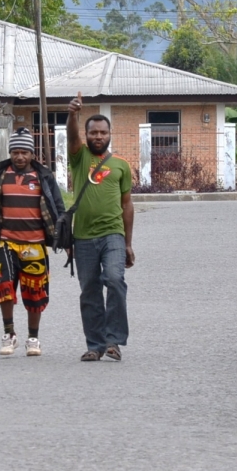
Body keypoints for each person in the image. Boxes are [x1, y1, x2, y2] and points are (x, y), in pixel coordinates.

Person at [0, 127, 66, 357]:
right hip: (7, 244)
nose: (20, 157)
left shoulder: (43, 177)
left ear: (32, 154)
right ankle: (9, 334)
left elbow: (58, 209)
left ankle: (33, 338)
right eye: (15, 152)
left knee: (34, 292)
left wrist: (66, 241)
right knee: (5, 288)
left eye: (24, 152)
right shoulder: (0, 175)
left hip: (34, 245)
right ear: (10, 153)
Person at [67, 92, 135, 362]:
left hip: (113, 235)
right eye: (93, 132)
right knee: (90, 289)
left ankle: (114, 341)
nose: (98, 136)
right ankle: (95, 345)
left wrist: (128, 243)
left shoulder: (121, 166)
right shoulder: (79, 158)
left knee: (115, 281)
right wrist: (72, 114)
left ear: (110, 134)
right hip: (82, 237)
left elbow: (127, 205)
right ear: (87, 135)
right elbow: (72, 137)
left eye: (102, 132)